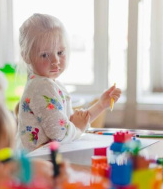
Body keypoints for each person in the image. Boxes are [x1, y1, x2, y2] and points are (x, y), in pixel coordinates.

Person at [17, 13, 121, 152]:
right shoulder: (42, 86)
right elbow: (60, 133)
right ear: (26, 56)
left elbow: (68, 123)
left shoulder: (49, 83)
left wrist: (101, 105)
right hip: (40, 164)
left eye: (60, 52)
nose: (55, 61)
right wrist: (78, 127)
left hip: (42, 162)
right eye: (45, 55)